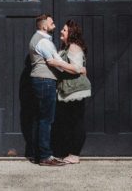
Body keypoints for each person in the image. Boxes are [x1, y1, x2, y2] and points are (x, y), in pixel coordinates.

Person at [28, 14, 85, 166]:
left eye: (64, 30)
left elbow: (60, 62)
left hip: (44, 81)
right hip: (45, 81)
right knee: (46, 119)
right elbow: (57, 63)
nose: (56, 26)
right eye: (52, 22)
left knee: (43, 118)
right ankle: (45, 156)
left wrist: (77, 68)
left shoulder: (42, 40)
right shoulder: (44, 42)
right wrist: (77, 69)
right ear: (44, 26)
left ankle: (39, 154)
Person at [53, 20, 91, 164]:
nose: (61, 32)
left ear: (71, 33)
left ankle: (74, 154)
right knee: (67, 122)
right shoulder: (66, 47)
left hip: (76, 90)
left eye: (64, 30)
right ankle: (66, 152)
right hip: (68, 90)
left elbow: (76, 68)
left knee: (75, 121)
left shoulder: (74, 47)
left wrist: (56, 62)